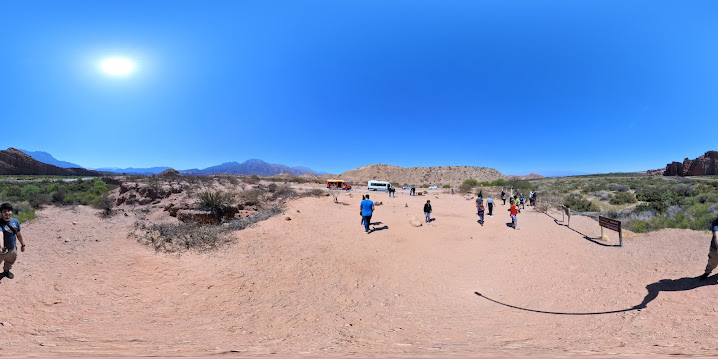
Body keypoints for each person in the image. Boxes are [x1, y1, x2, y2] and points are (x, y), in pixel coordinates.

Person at [0, 203, 26, 280]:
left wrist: (23, 244)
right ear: (1, 213)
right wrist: (1, 247)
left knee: (10, 261)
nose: (7, 213)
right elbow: (0, 235)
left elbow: (18, 234)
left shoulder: (15, 222)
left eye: (9, 211)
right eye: (4, 211)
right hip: (1, 250)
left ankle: (6, 271)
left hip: (12, 248)